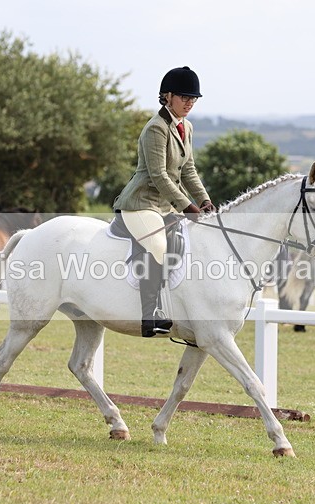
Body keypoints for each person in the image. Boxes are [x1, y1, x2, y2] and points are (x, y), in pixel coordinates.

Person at [113, 66, 215, 337]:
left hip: (166, 205)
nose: (190, 102)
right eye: (184, 97)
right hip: (141, 203)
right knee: (158, 245)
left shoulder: (186, 127)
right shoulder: (155, 129)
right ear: (167, 96)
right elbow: (159, 175)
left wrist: (204, 200)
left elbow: (189, 169)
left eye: (193, 98)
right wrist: (188, 206)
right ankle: (151, 315)